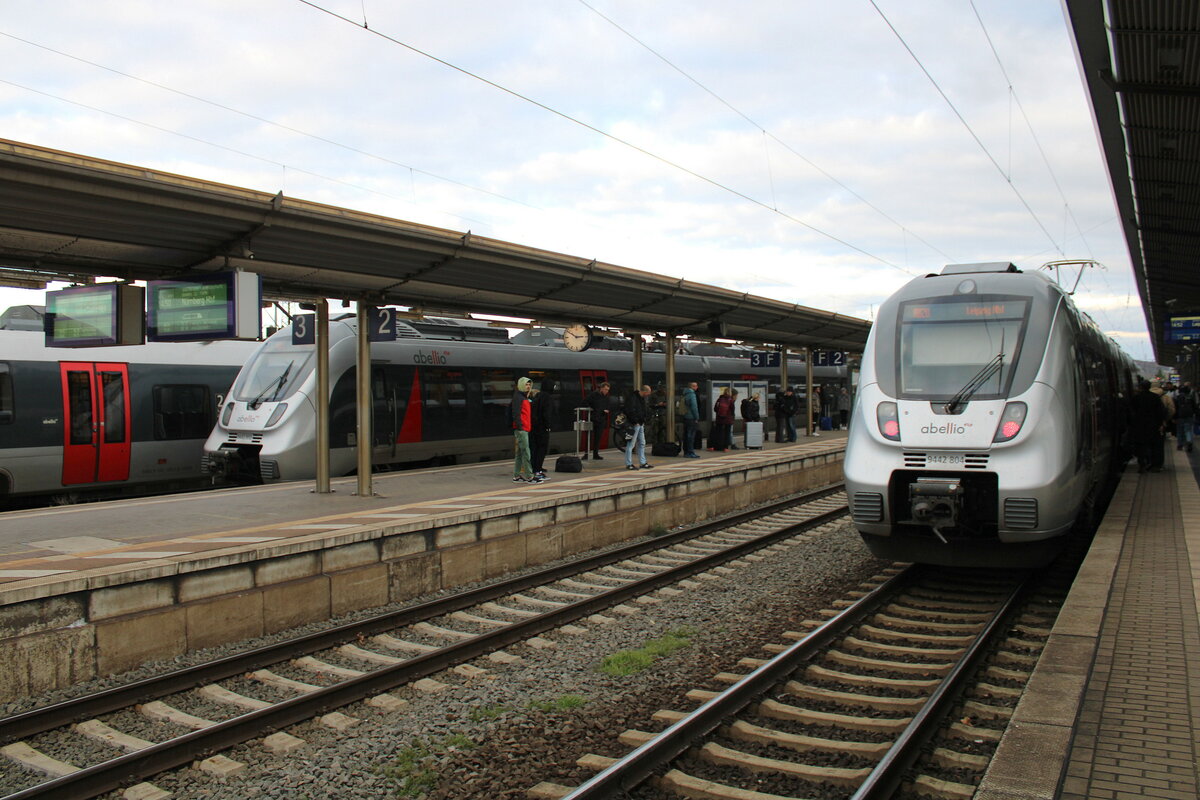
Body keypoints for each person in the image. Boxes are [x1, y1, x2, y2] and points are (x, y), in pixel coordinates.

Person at [1131, 379, 1167, 473]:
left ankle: (1142, 464)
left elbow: (1131, 412)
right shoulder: (1155, 397)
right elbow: (1161, 412)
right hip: (1153, 426)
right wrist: (1160, 424)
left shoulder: (1136, 398)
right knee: (1154, 446)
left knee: (1141, 446)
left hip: (1139, 426)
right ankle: (1154, 465)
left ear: (1140, 387)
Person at [511, 377, 542, 483]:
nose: (528, 387)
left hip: (525, 428)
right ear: (521, 385)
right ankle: (529, 476)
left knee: (520, 454)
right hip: (521, 429)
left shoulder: (523, 397)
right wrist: (520, 427)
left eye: (529, 385)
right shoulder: (518, 398)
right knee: (526, 453)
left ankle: (516, 475)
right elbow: (516, 413)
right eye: (526, 384)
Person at [623, 384, 655, 470]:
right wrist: (635, 421)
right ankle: (629, 463)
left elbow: (644, 410)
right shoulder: (633, 398)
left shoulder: (642, 399)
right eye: (648, 393)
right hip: (635, 424)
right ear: (644, 391)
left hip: (640, 423)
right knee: (631, 444)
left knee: (642, 443)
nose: (648, 394)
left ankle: (643, 462)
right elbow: (630, 410)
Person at [529, 380, 555, 478]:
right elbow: (547, 414)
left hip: (534, 427)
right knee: (542, 449)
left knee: (534, 449)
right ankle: (538, 470)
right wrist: (548, 426)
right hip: (542, 428)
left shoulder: (537, 396)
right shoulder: (548, 398)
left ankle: (534, 467)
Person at [1149, 379, 1174, 470]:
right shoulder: (1166, 397)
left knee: (1149, 444)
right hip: (1161, 425)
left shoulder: (1146, 396)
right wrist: (1165, 420)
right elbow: (1171, 410)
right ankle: (1158, 464)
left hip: (1148, 425)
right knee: (1159, 445)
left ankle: (1150, 462)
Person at [584, 382, 611, 460]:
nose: (607, 391)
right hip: (592, 419)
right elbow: (584, 402)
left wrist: (607, 410)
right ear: (601, 388)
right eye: (605, 389)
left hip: (601, 420)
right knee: (589, 437)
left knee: (598, 438)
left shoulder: (606, 397)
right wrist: (592, 409)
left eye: (608, 390)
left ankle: (595, 454)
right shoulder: (593, 395)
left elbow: (608, 406)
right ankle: (586, 454)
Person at [680, 381, 700, 458]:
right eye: (695, 386)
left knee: (686, 435)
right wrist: (697, 417)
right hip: (691, 418)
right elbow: (694, 407)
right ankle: (690, 452)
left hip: (685, 417)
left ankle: (686, 452)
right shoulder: (692, 395)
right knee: (691, 436)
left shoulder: (685, 394)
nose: (697, 387)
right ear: (691, 387)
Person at [712, 387, 735, 451]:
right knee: (727, 433)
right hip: (728, 419)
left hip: (719, 419)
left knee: (719, 433)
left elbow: (715, 409)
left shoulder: (719, 399)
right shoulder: (731, 400)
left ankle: (717, 447)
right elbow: (732, 410)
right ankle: (725, 447)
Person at [1176, 383, 1196, 454]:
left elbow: (1175, 408)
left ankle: (1180, 445)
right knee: (1188, 430)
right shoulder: (1190, 398)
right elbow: (1194, 407)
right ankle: (1189, 441)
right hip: (1189, 416)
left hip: (1180, 416)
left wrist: (1174, 417)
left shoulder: (1178, 397)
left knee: (1180, 431)